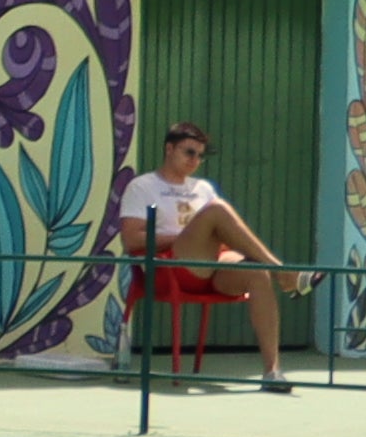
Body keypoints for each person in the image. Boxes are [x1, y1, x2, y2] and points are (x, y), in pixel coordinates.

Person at [117, 125, 290, 389]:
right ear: (169, 149)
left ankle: (272, 372)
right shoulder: (142, 186)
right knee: (217, 210)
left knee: (257, 273)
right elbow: (131, 240)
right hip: (170, 268)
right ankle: (283, 271)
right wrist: (184, 236)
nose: (195, 161)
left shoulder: (203, 187)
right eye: (189, 152)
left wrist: (205, 237)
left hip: (213, 265)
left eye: (200, 156)